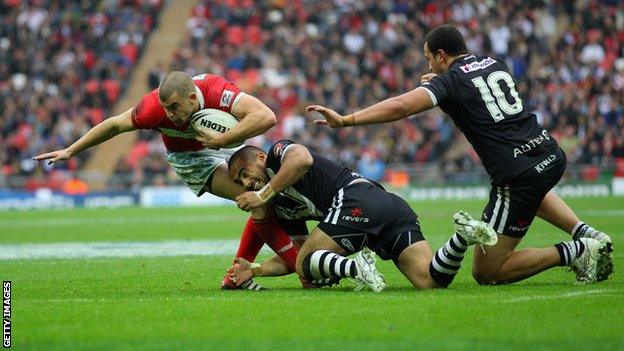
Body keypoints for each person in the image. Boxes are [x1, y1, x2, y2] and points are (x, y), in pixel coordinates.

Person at [307, 24, 613, 285]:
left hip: (517, 172)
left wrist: (347, 120)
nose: (429, 68)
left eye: (429, 60)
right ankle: (587, 231)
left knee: (487, 271)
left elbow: (401, 107)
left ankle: (578, 251)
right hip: (549, 153)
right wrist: (441, 83)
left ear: (441, 55)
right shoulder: (492, 62)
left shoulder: (449, 81)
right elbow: (473, 89)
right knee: (533, 192)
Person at [33, 71, 300, 290]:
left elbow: (267, 117)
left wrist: (222, 141)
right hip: (189, 157)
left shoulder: (218, 92)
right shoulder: (151, 110)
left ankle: (243, 275)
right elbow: (114, 125)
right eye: (166, 109)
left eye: (174, 107)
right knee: (259, 202)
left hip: (224, 142)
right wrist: (71, 150)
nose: (170, 114)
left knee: (270, 195)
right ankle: (301, 269)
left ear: (193, 98)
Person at [224, 140, 500, 291]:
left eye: (245, 174)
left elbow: (303, 159)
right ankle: (461, 238)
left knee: (308, 261)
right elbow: (298, 261)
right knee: (430, 281)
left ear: (259, 158)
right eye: (240, 182)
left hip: (355, 198)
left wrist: (263, 194)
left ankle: (358, 269)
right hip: (386, 206)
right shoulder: (283, 208)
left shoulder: (277, 154)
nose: (246, 183)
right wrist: (255, 268)